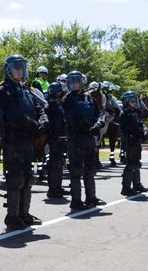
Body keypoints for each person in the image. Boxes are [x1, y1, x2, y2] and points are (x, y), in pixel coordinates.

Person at [0, 54, 46, 230]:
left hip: (27, 141)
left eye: (21, 66)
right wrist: (35, 125)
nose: (19, 70)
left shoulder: (26, 90)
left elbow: (38, 108)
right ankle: (12, 217)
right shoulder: (4, 91)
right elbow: (14, 116)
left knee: (28, 178)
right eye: (16, 66)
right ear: (8, 69)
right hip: (13, 140)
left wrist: (43, 120)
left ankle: (24, 214)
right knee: (16, 180)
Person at [63, 70, 106, 210]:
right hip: (76, 139)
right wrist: (88, 126)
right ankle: (76, 201)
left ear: (82, 82)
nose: (75, 83)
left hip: (89, 139)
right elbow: (72, 118)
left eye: (77, 80)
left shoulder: (88, 99)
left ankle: (91, 198)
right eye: (72, 81)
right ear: (68, 84)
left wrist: (99, 123)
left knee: (90, 170)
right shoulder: (67, 99)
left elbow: (98, 113)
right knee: (76, 171)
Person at [120, 91, 148, 195]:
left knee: (137, 163)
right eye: (131, 100)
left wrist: (143, 131)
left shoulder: (135, 112)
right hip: (129, 141)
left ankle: (137, 184)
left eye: (134, 100)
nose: (133, 102)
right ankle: (126, 188)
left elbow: (144, 117)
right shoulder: (124, 113)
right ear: (126, 102)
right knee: (130, 164)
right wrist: (137, 131)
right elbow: (125, 129)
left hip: (136, 141)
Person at [45, 82, 69, 199]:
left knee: (60, 163)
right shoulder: (49, 106)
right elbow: (50, 123)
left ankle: (58, 187)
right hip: (53, 138)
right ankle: (52, 189)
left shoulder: (58, 104)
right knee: (54, 164)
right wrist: (54, 135)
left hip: (61, 137)